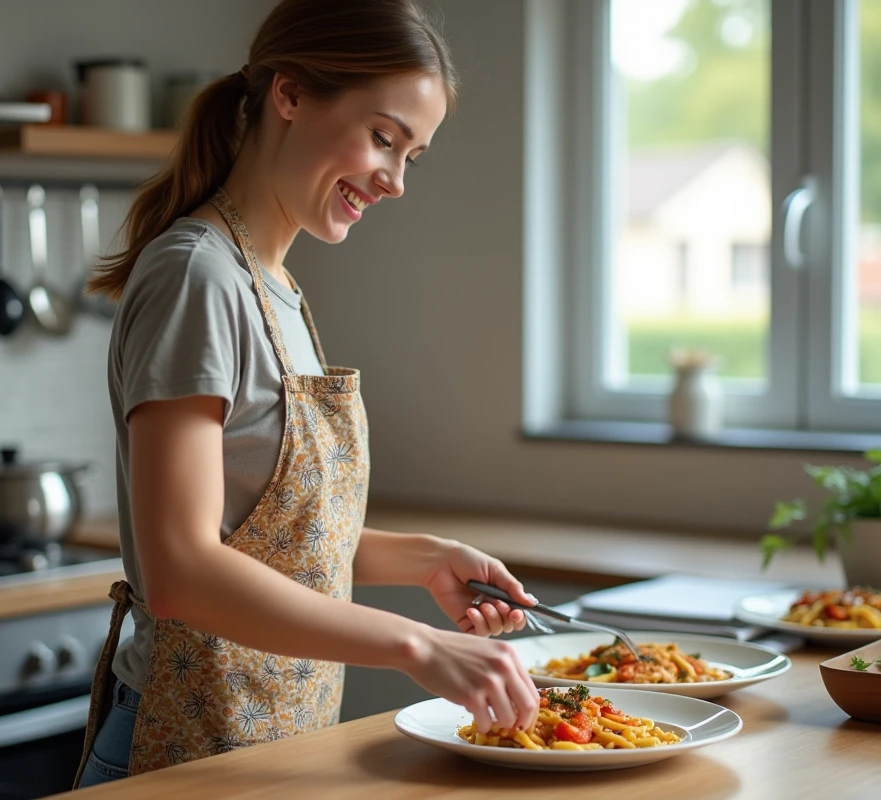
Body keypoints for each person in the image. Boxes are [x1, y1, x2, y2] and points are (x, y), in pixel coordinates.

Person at [74, 0, 540, 787]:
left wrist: (423, 559)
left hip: (271, 752)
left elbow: (272, 543)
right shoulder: (198, 275)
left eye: (412, 156)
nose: (394, 181)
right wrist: (419, 646)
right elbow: (180, 566)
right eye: (383, 138)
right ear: (290, 96)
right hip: (182, 750)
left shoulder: (276, 287)